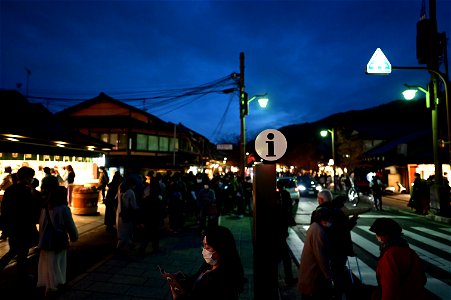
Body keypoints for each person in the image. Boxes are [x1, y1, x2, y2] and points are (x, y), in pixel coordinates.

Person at [161, 225, 245, 300]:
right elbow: (195, 281)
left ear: (221, 249)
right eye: (203, 245)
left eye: (207, 247)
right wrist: (180, 279)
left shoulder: (222, 280)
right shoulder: (209, 264)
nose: (204, 250)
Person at [0, 166, 41, 284]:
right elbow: (32, 210)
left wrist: (5, 227)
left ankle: (22, 274)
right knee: (22, 253)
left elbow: (5, 210)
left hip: (12, 227)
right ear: (28, 178)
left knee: (14, 251)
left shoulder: (10, 190)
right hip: (24, 227)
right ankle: (23, 277)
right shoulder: (28, 191)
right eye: (31, 177)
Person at [369, 218, 427, 300]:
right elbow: (423, 279)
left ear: (383, 237)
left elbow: (389, 288)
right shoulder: (410, 252)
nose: (376, 236)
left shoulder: (389, 255)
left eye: (377, 234)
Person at [36, 185, 79, 297]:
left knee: (48, 263)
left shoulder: (45, 208)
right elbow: (70, 225)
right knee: (58, 263)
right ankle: (54, 286)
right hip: (58, 240)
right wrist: (74, 236)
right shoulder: (64, 209)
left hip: (45, 241)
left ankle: (48, 285)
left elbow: (41, 225)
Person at [297, 206, 334, 300]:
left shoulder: (314, 227)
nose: (331, 221)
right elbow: (321, 257)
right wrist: (328, 276)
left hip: (309, 276)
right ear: (324, 220)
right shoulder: (319, 232)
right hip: (313, 277)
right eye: (329, 219)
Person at [116, 175, 139, 253]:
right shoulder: (130, 192)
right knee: (127, 230)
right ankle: (122, 248)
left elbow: (116, 200)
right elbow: (133, 205)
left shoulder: (120, 189)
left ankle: (127, 245)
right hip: (128, 214)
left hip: (120, 212)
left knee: (121, 231)